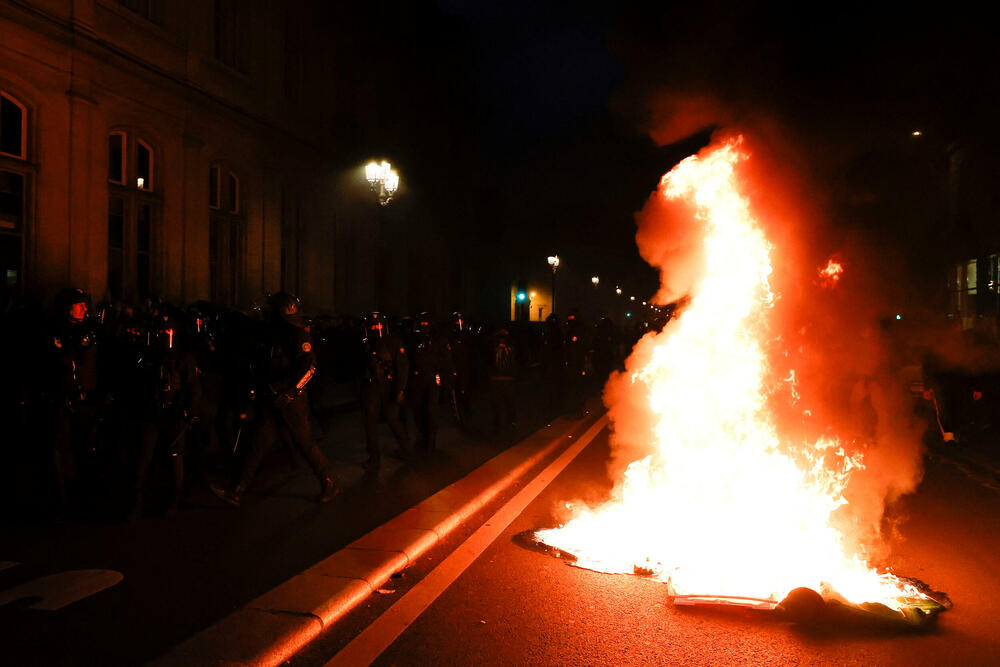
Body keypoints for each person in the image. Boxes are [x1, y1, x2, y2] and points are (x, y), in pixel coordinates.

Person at [212, 292, 337, 506]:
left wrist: (290, 393)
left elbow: (310, 367)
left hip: (292, 401)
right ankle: (237, 491)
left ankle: (328, 482)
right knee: (258, 444)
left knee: (304, 443)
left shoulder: (298, 335)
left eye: (272, 310)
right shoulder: (276, 333)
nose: (268, 313)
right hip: (274, 397)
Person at [124, 312, 200, 519]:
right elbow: (136, 383)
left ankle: (173, 500)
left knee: (175, 455)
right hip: (151, 412)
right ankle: (136, 501)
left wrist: (190, 410)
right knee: (143, 456)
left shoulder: (184, 358)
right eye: (161, 331)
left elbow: (192, 386)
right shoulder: (147, 356)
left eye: (169, 331)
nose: (165, 334)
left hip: (175, 414)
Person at [39, 288, 100, 515]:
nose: (84, 308)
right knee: (60, 449)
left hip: (84, 401)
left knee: (85, 448)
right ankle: (60, 501)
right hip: (61, 401)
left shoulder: (88, 331)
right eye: (79, 304)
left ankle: (85, 499)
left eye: (85, 304)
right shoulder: (55, 331)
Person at [359, 312, 411, 472]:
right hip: (373, 386)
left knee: (392, 419)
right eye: (373, 325)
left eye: (378, 325)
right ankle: (374, 458)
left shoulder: (394, 342)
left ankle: (405, 450)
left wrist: (400, 388)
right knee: (370, 422)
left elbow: (402, 367)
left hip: (389, 386)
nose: (376, 328)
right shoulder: (367, 343)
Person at [408, 313, 448, 451]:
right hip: (418, 379)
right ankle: (422, 434)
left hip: (432, 377)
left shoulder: (439, 340)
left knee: (431, 409)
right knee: (418, 408)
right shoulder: (415, 339)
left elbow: (445, 359)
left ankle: (431, 438)